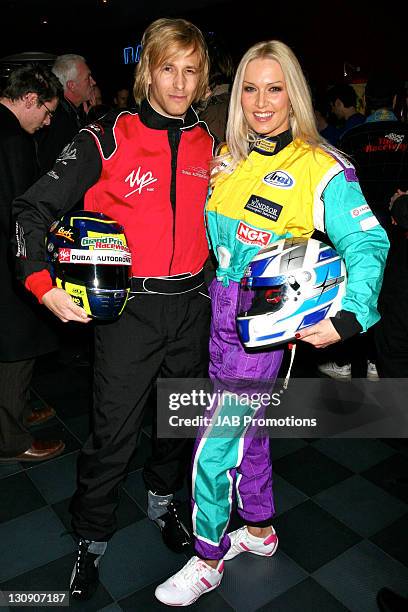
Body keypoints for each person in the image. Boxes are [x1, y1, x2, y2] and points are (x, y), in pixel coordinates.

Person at [155, 39, 389, 606]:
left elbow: (367, 241)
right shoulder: (233, 160)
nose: (262, 102)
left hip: (264, 331)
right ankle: (259, 531)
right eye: (251, 89)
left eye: (275, 88)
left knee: (212, 446)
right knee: (246, 434)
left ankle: (207, 557)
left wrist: (352, 313)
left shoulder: (321, 166)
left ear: (295, 94)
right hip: (218, 316)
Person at [12, 18, 213, 600]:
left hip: (193, 308)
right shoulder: (103, 137)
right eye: (168, 67)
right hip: (129, 314)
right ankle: (91, 537)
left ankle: (162, 500)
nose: (179, 83)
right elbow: (29, 210)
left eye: (191, 70)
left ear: (201, 80)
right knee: (113, 434)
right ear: (147, 70)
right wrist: (42, 283)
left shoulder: (214, 146)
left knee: (178, 424)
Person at [0, 65, 65, 462]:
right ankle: (11, 438)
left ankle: (15, 412)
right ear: (29, 99)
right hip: (7, 262)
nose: (46, 122)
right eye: (46, 111)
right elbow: (18, 211)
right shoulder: (12, 139)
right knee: (16, 349)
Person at [36, 54, 96, 174]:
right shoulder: (57, 118)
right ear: (71, 85)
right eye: (88, 77)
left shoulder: (75, 112)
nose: (93, 82)